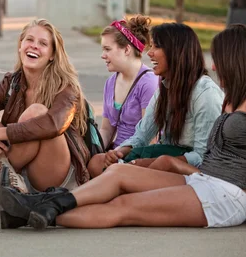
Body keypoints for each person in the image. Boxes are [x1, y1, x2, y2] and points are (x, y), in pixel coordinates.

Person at [0, 24, 246, 230]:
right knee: (118, 173)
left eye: (219, 57)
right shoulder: (232, 97)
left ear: (236, 57)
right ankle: (42, 203)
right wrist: (133, 154)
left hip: (227, 196)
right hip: (205, 181)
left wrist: (171, 161)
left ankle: (29, 212)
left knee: (123, 208)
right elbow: (211, 159)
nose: (214, 64)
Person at [0, 19, 92, 200]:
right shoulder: (12, 82)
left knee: (36, 112)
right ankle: (5, 176)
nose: (34, 47)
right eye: (29, 40)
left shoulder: (66, 87)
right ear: (20, 45)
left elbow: (53, 125)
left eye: (43, 44)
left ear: (52, 54)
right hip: (20, 169)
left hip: (56, 175)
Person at [88, 23, 224, 177]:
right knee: (97, 163)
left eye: (156, 47)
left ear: (176, 51)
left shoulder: (205, 93)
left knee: (117, 174)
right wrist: (119, 153)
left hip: (188, 169)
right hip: (164, 156)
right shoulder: (165, 88)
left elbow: (202, 157)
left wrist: (150, 164)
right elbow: (142, 135)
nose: (149, 53)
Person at [87, 16, 158, 177]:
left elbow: (150, 139)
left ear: (126, 50)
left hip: (137, 156)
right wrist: (93, 151)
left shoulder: (148, 83)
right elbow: (107, 129)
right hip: (115, 154)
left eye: (107, 49)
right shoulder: (111, 82)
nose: (102, 55)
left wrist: (117, 156)